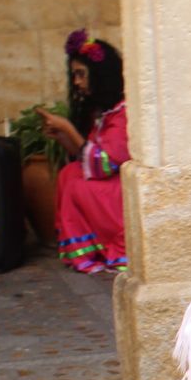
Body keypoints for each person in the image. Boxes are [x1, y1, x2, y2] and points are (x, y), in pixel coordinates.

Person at [43, 30, 129, 273]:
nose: (77, 82)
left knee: (76, 184)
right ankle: (88, 249)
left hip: (122, 189)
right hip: (111, 184)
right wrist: (62, 136)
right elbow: (86, 159)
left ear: (99, 75)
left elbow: (103, 164)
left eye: (81, 74)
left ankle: (104, 248)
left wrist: (69, 129)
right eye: (74, 75)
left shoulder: (122, 114)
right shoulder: (104, 112)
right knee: (69, 173)